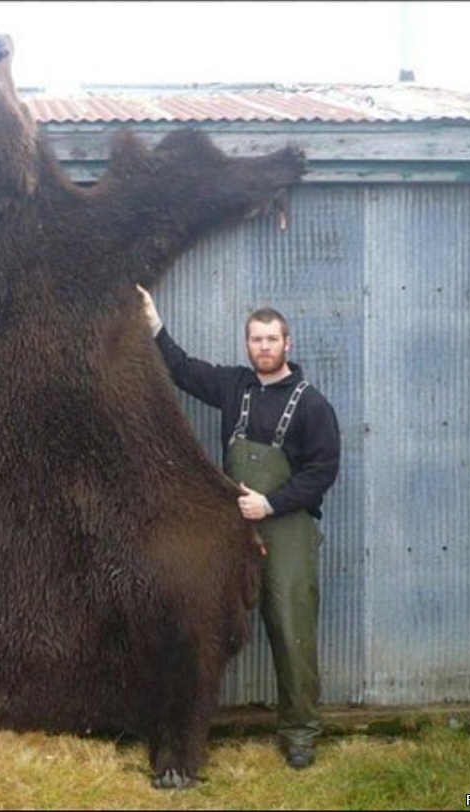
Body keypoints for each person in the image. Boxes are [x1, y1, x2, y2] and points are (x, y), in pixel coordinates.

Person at [138, 285, 340, 770]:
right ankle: (191, 730)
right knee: (208, 627)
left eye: (272, 339)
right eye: (256, 339)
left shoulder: (312, 405)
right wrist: (152, 321)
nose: (264, 347)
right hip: (233, 533)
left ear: (287, 344)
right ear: (247, 344)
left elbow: (322, 471)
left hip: (286, 531)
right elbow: (182, 369)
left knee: (291, 632)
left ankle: (299, 732)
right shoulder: (234, 386)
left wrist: (269, 504)